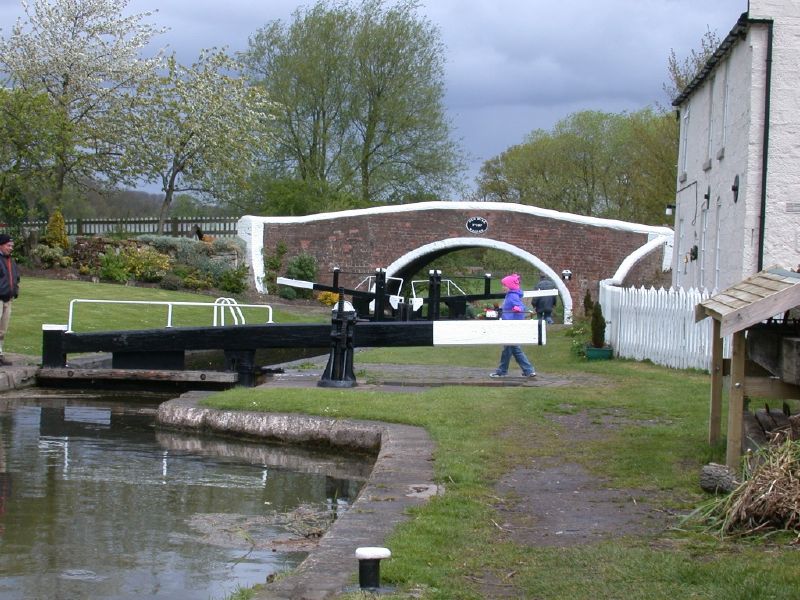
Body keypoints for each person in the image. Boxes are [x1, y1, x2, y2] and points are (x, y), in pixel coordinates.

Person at [489, 273, 536, 378]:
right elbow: (509, 307)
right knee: (513, 348)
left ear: (510, 286)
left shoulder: (512, 296)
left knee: (509, 349)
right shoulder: (510, 295)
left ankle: (502, 371)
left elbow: (520, 306)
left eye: (504, 285)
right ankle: (528, 371)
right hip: (511, 325)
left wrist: (518, 309)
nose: (503, 287)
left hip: (512, 326)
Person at [0, 234, 20, 367]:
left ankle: (0, 355)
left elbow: (16, 276)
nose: (11, 248)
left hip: (8, 298)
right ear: (1, 245)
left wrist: (15, 290)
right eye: (9, 245)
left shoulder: (10, 260)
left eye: (12, 246)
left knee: (2, 330)